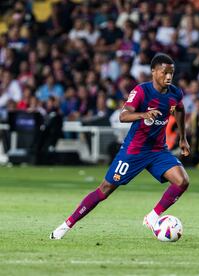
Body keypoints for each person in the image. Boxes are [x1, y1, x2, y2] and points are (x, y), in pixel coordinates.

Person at [50, 53, 191, 239]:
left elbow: (179, 109)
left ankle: (153, 216)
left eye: (171, 73)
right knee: (105, 189)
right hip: (133, 151)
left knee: (182, 181)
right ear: (154, 72)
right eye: (165, 72)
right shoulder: (142, 91)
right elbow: (123, 116)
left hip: (158, 151)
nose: (168, 77)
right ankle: (66, 226)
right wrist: (143, 115)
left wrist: (183, 138)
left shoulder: (175, 93)